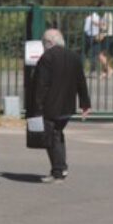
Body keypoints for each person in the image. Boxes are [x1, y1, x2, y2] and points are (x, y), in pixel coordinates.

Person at [33, 28, 91, 182]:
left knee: (52, 137)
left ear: (49, 42)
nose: (43, 46)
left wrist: (36, 108)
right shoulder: (74, 57)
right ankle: (60, 169)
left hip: (51, 106)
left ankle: (58, 171)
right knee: (57, 134)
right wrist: (85, 104)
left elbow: (41, 85)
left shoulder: (47, 57)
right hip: (67, 106)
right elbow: (81, 81)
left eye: (44, 43)